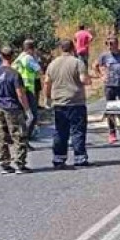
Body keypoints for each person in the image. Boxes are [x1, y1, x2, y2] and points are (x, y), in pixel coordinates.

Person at [43, 38, 91, 168]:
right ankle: (80, 158)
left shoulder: (52, 64)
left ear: (60, 48)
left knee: (60, 131)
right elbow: (83, 79)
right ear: (73, 48)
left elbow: (47, 82)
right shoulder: (77, 62)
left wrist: (48, 97)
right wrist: (89, 80)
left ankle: (59, 158)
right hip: (76, 102)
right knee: (78, 131)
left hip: (59, 103)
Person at [0, 46, 32, 174]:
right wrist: (27, 109)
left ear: (0, 56)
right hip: (13, 108)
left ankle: (5, 164)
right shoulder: (14, 74)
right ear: (12, 57)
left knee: (1, 136)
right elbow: (20, 94)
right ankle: (20, 163)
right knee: (18, 135)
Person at [13, 40, 42, 133]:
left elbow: (13, 69)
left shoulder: (19, 57)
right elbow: (39, 70)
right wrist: (36, 76)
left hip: (19, 87)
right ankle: (29, 132)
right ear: (31, 49)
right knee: (32, 111)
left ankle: (22, 131)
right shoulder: (29, 58)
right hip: (29, 88)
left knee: (23, 111)